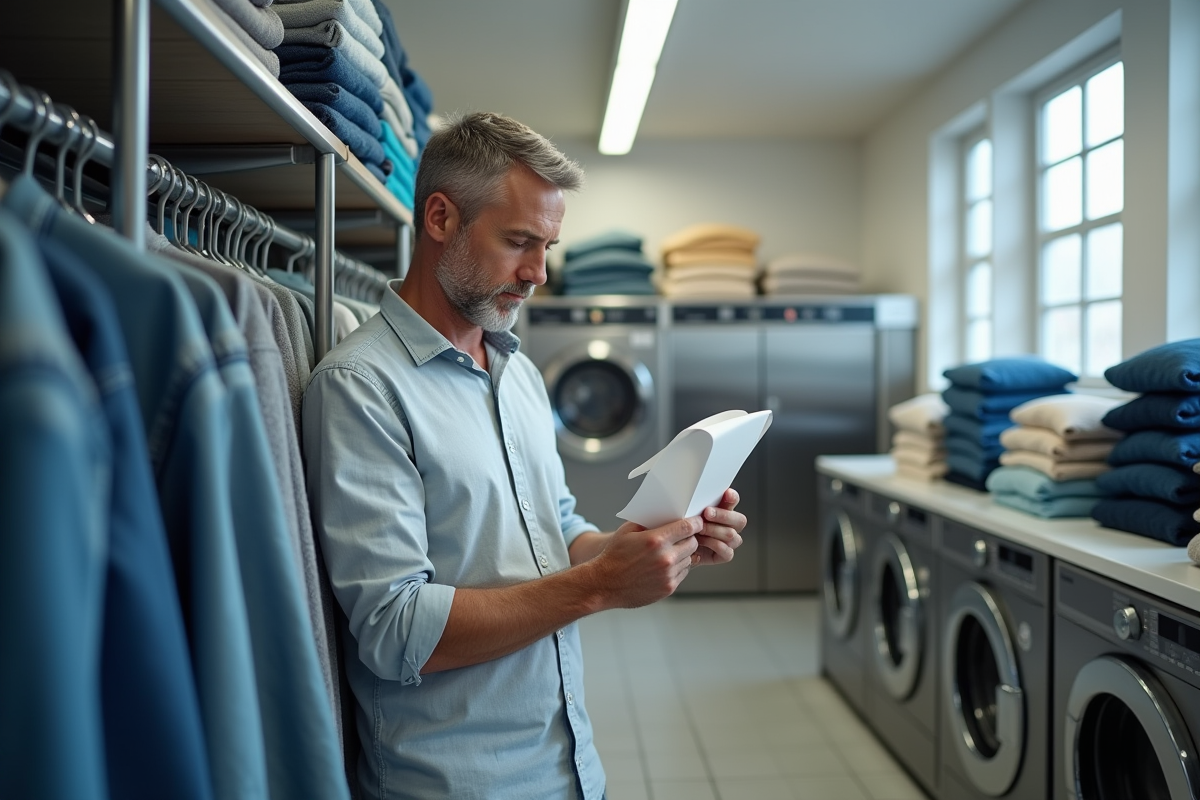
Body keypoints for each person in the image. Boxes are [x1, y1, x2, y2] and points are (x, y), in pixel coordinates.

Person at [302, 111, 747, 800]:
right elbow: (395, 629)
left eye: (548, 245)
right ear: (441, 218)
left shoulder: (517, 372)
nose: (538, 273)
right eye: (518, 242)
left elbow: (558, 531)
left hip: (568, 768)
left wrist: (651, 543)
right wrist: (600, 588)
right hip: (457, 783)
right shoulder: (361, 388)